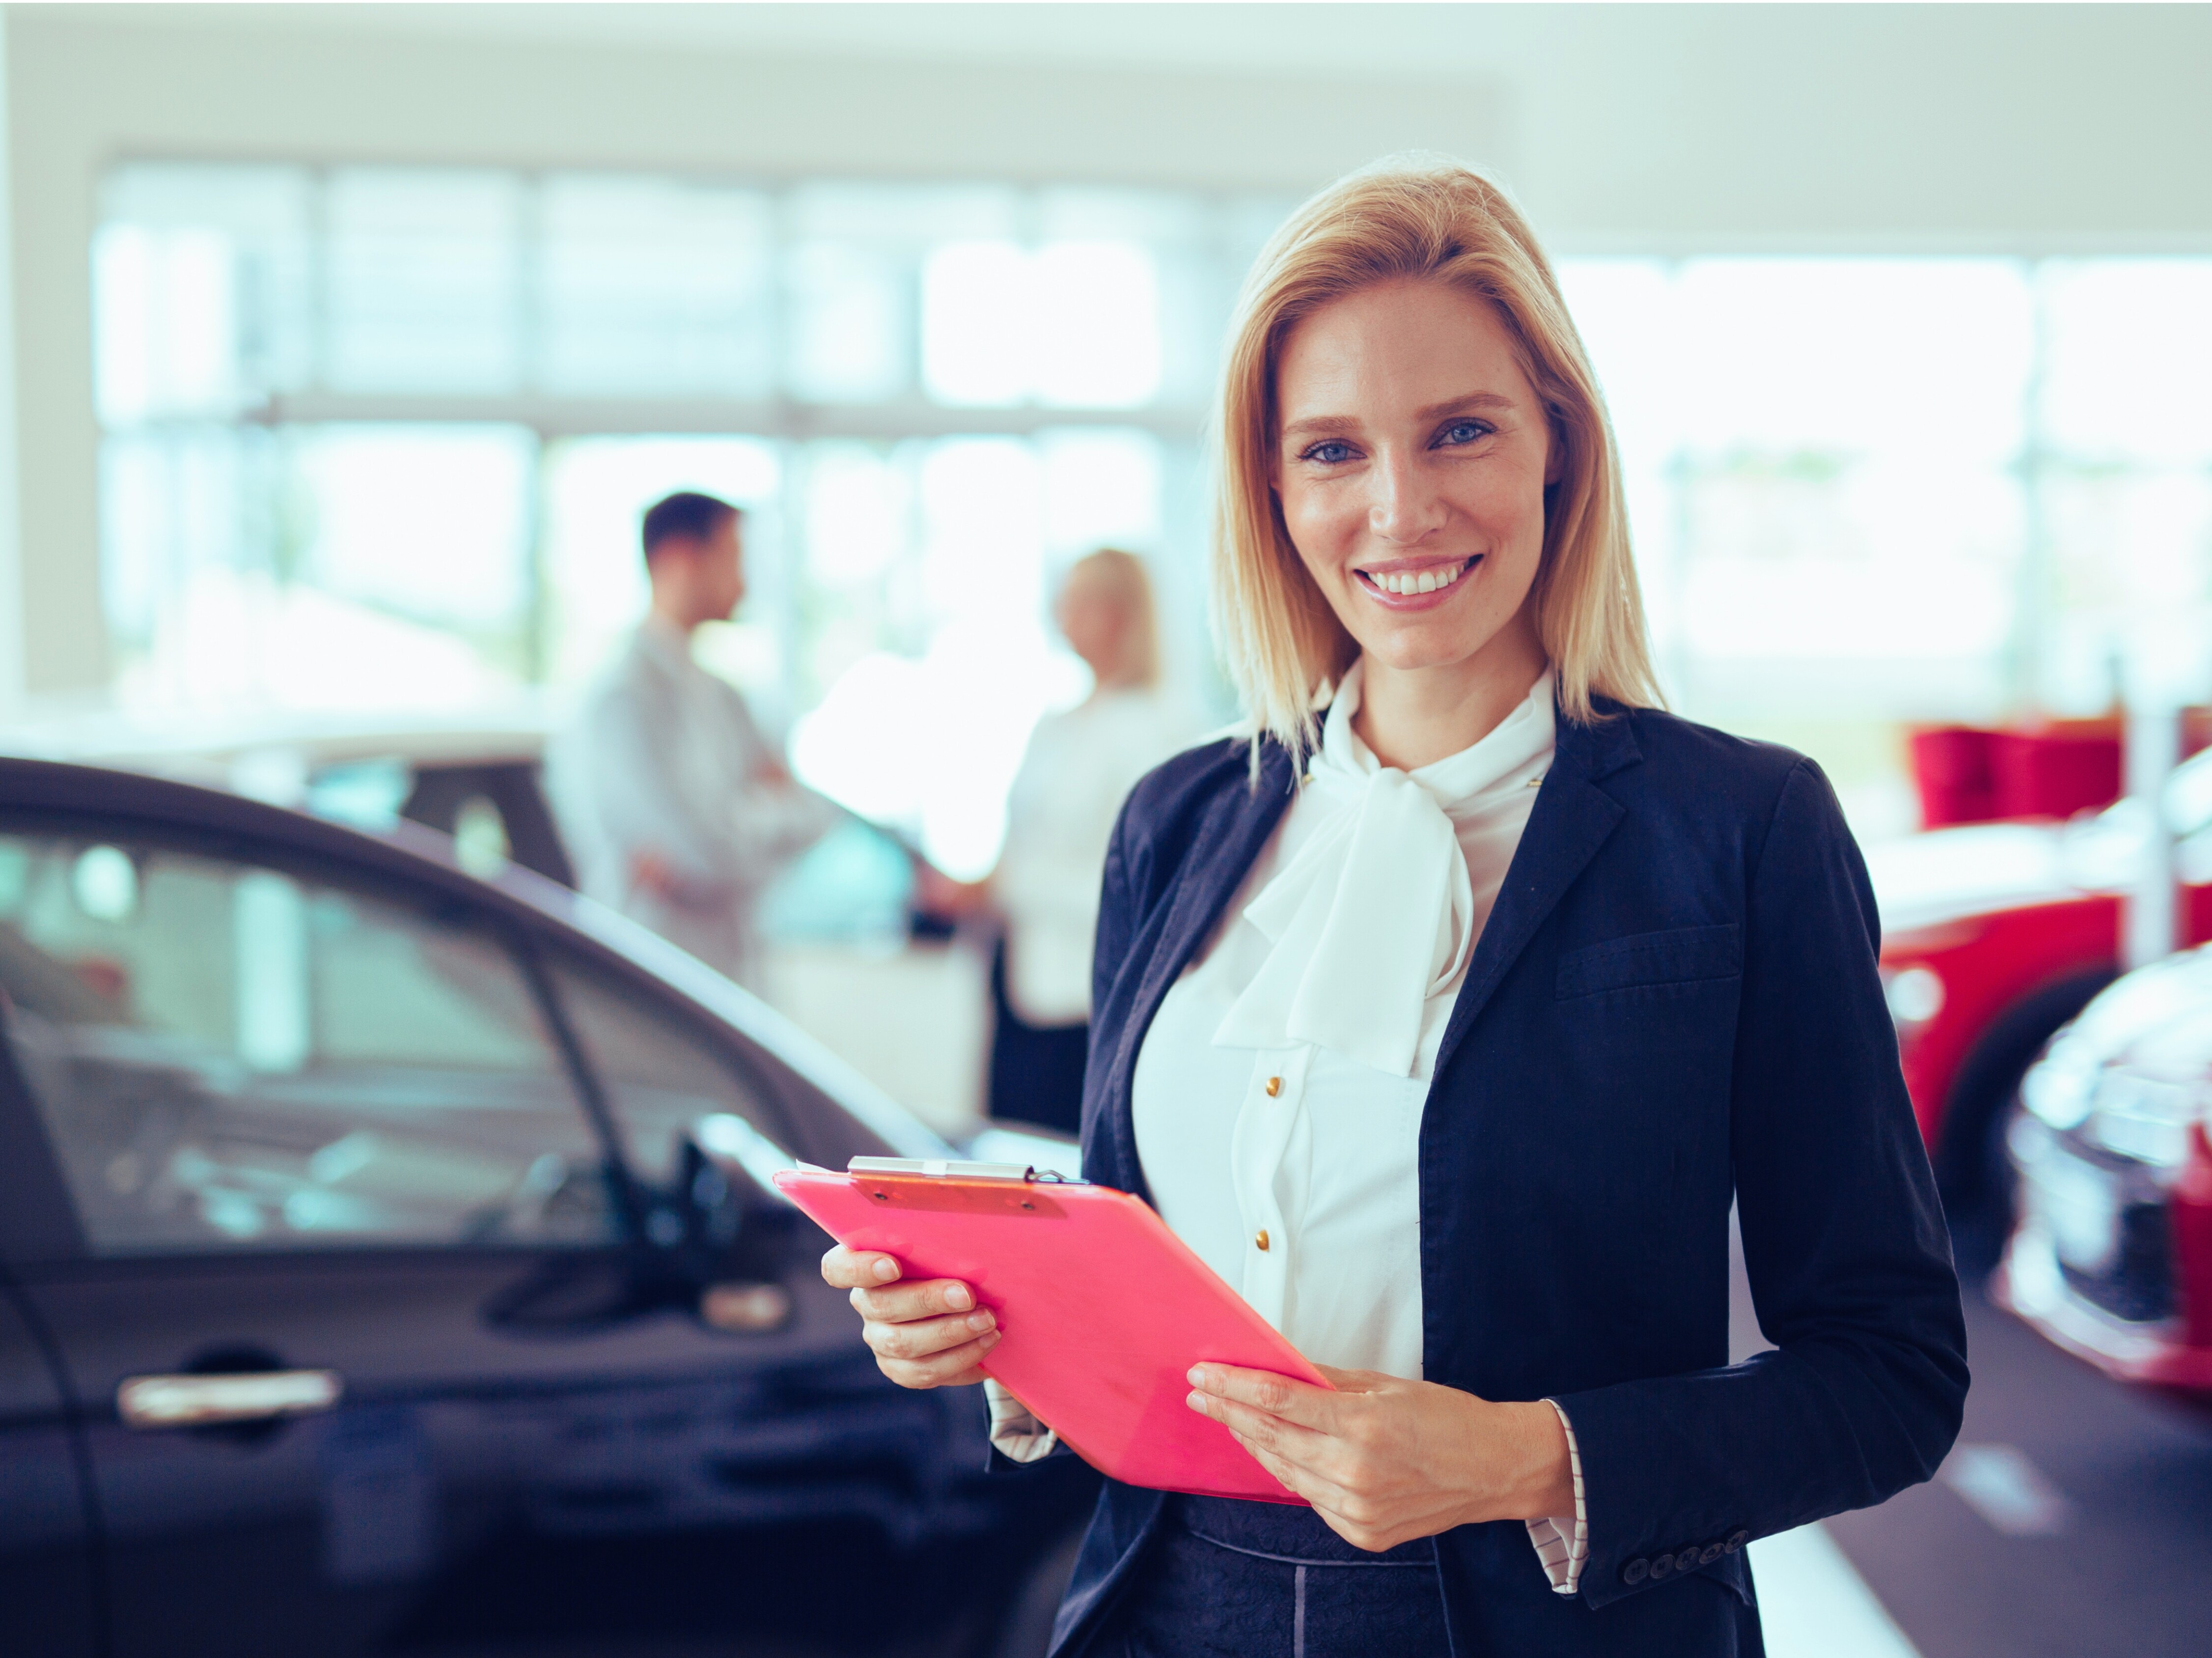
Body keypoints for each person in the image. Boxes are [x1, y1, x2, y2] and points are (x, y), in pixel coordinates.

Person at [823, 156, 1967, 1658]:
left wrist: (1523, 1458)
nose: (1399, 508)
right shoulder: (1179, 819)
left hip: (1544, 1624)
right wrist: (1001, 1346)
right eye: (1330, 452)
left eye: (1459, 432)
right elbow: (1138, 1271)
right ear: (1268, 485)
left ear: (1557, 444)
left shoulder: (1737, 830)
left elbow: (1890, 1373)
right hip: (1171, 1607)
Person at [549, 491, 836, 992]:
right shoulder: (621, 699)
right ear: (681, 558)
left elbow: (812, 817)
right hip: (651, 989)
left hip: (734, 974)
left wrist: (727, 828)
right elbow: (704, 854)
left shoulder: (726, 698)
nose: (745, 582)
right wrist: (755, 810)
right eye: (733, 559)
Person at [969, 549, 1191, 1134]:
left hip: (1087, 996)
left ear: (1119, 615)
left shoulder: (1153, 730)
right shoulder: (1057, 723)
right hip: (1021, 979)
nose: (1061, 615)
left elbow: (1147, 885)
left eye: (1078, 602)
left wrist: (1006, 888)